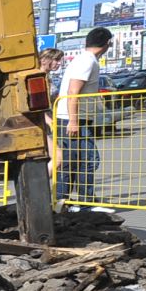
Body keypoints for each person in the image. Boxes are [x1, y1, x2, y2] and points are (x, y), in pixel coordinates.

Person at [56, 27, 112, 210]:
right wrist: (73, 121)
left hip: (74, 119)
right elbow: (73, 91)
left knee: (76, 161)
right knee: (85, 160)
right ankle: (78, 202)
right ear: (107, 44)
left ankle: (70, 202)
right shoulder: (87, 61)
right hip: (72, 120)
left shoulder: (85, 59)